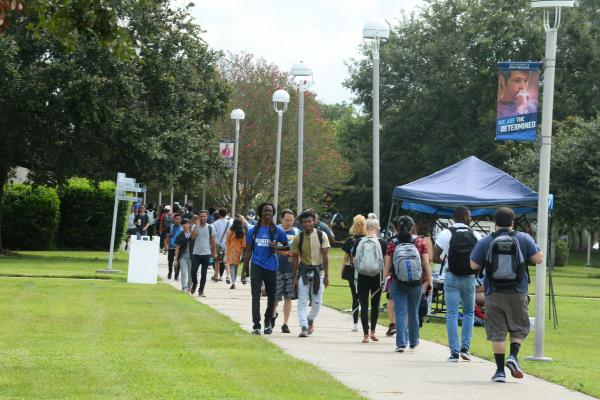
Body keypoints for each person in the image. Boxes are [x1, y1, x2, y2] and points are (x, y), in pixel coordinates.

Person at [470, 207, 543, 383]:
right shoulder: (523, 238)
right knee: (519, 327)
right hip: (518, 291)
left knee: (497, 331)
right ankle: (514, 356)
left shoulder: (487, 240)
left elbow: (473, 265)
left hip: (493, 292)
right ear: (513, 221)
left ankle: (500, 371)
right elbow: (538, 259)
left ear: (495, 222)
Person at [433, 206, 481, 362]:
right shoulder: (475, 234)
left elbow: (435, 257)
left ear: (454, 218)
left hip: (451, 276)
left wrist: (447, 261)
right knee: (469, 312)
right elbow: (480, 260)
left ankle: (454, 351)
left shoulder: (445, 233)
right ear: (467, 217)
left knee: (451, 313)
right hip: (469, 278)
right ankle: (465, 348)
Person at [383, 215, 432, 352]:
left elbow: (387, 265)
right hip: (416, 282)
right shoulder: (420, 242)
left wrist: (384, 281)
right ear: (412, 227)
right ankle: (414, 341)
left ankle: (401, 343)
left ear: (397, 227)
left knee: (400, 312)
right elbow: (426, 263)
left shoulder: (392, 243)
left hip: (397, 282)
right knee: (413, 312)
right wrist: (429, 281)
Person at [242, 202, 289, 335]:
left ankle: (268, 322)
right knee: (255, 297)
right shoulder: (253, 231)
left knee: (272, 297)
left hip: (272, 268)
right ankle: (256, 325)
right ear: (260, 213)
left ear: (273, 214)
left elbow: (287, 247)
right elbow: (248, 251)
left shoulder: (277, 231)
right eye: (265, 211)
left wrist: (276, 248)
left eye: (270, 211)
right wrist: (245, 270)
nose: (268, 213)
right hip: (256, 266)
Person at [292, 210, 330, 337]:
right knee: (302, 301)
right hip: (303, 271)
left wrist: (327, 277)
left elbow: (325, 256)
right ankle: (303, 326)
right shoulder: (298, 238)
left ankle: (310, 319)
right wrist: (294, 277)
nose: (307, 224)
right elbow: (295, 258)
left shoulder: (321, 235)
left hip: (319, 272)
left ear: (314, 222)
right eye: (304, 222)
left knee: (317, 302)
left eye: (310, 221)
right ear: (301, 224)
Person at [352, 213, 386, 343]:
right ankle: (373, 332)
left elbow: (354, 260)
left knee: (364, 304)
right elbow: (385, 261)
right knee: (375, 305)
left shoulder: (359, 242)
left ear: (365, 227)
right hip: (376, 277)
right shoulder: (382, 242)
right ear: (378, 228)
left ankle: (365, 334)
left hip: (362, 276)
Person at [273, 209, 300, 333]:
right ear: (281, 219)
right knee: (275, 298)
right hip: (276, 269)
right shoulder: (275, 230)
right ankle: (273, 316)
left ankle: (285, 324)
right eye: (287, 220)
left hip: (290, 270)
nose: (289, 223)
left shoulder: (296, 233)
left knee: (288, 298)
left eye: (291, 220)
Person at [341, 214, 367, 332]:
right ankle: (366, 325)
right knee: (365, 297)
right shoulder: (368, 239)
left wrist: (342, 270)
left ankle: (355, 324)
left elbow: (346, 258)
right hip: (366, 271)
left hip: (353, 271)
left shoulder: (351, 240)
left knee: (355, 297)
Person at [190, 210, 217, 297]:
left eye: (204, 216)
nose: (203, 218)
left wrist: (214, 253)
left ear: (207, 217)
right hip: (196, 253)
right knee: (193, 271)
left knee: (204, 273)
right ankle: (194, 283)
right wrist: (197, 226)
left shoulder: (210, 227)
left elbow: (213, 241)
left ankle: (201, 291)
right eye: (201, 216)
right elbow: (192, 237)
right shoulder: (194, 226)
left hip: (206, 253)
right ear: (199, 217)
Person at [225, 217, 246, 289]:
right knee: (236, 266)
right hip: (238, 251)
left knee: (231, 266)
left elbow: (226, 241)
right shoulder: (242, 231)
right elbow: (244, 244)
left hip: (231, 250)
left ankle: (233, 281)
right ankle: (234, 281)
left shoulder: (230, 231)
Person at [211, 208, 232, 282]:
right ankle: (228, 276)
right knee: (227, 261)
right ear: (226, 214)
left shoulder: (215, 223)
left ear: (219, 214)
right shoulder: (230, 223)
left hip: (217, 244)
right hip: (227, 244)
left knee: (217, 261)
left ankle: (216, 276)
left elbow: (213, 234)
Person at [173, 218, 193, 292]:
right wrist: (175, 260)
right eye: (183, 224)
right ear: (181, 225)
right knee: (184, 272)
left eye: (186, 223)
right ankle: (184, 287)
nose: (185, 225)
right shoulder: (179, 235)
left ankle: (189, 286)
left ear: (189, 224)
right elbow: (177, 248)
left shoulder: (193, 234)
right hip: (182, 256)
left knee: (191, 273)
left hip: (191, 256)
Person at [166, 214, 183, 280]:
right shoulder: (170, 227)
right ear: (174, 219)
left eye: (179, 219)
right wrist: (167, 245)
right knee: (170, 261)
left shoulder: (182, 228)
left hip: (179, 248)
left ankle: (176, 275)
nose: (178, 220)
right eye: (176, 219)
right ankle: (170, 272)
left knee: (178, 261)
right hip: (171, 247)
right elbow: (167, 236)